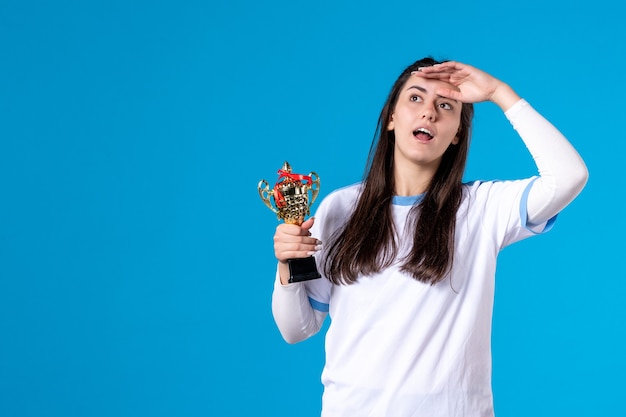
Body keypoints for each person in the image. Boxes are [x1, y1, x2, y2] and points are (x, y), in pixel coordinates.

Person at [270, 57, 588, 417]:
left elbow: (569, 176)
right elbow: (296, 328)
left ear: (456, 135)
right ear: (391, 118)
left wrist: (500, 93)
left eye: (446, 105)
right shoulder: (339, 209)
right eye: (416, 99)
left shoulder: (481, 209)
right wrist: (287, 266)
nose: (429, 113)